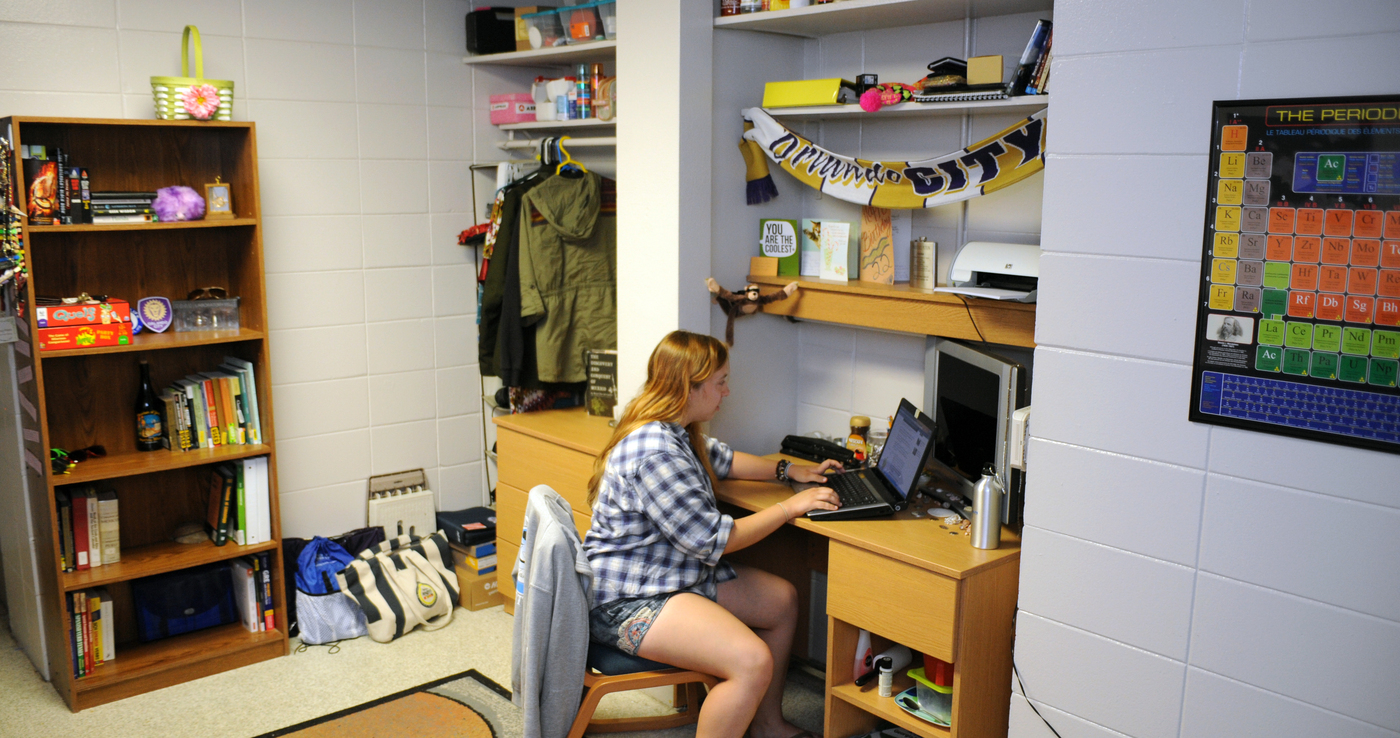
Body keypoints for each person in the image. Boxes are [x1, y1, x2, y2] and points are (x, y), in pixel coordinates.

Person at [584, 330, 843, 738]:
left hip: (667, 574)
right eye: (720, 381)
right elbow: (716, 540)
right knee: (751, 661)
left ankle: (767, 724)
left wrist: (789, 471)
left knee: (782, 600)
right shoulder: (656, 453)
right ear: (690, 386)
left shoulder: (675, 427)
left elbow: (721, 459)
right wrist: (790, 506)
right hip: (629, 601)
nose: (726, 391)